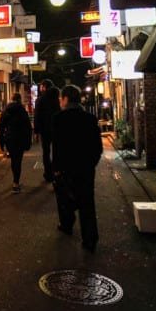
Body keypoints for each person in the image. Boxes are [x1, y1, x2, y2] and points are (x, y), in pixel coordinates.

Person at [51, 84, 103, 252]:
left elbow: (57, 147)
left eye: (61, 98)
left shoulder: (59, 119)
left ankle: (66, 225)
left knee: (64, 199)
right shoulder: (89, 118)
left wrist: (56, 168)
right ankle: (90, 239)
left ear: (65, 99)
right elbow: (97, 147)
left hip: (66, 168)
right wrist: (91, 163)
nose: (60, 101)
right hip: (86, 168)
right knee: (87, 203)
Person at [0, 93, 32, 193]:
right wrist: (28, 141)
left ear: (11, 99)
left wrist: (1, 142)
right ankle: (16, 182)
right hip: (20, 139)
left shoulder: (6, 110)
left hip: (10, 138)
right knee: (18, 160)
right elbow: (28, 127)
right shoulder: (22, 111)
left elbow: (1, 127)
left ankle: (15, 182)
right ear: (20, 99)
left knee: (13, 160)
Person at [34, 79, 60, 183]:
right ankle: (57, 172)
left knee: (46, 152)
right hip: (57, 128)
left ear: (44, 87)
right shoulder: (58, 98)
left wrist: (36, 130)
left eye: (41, 86)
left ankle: (48, 174)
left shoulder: (40, 99)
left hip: (45, 129)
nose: (40, 88)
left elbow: (37, 116)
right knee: (57, 151)